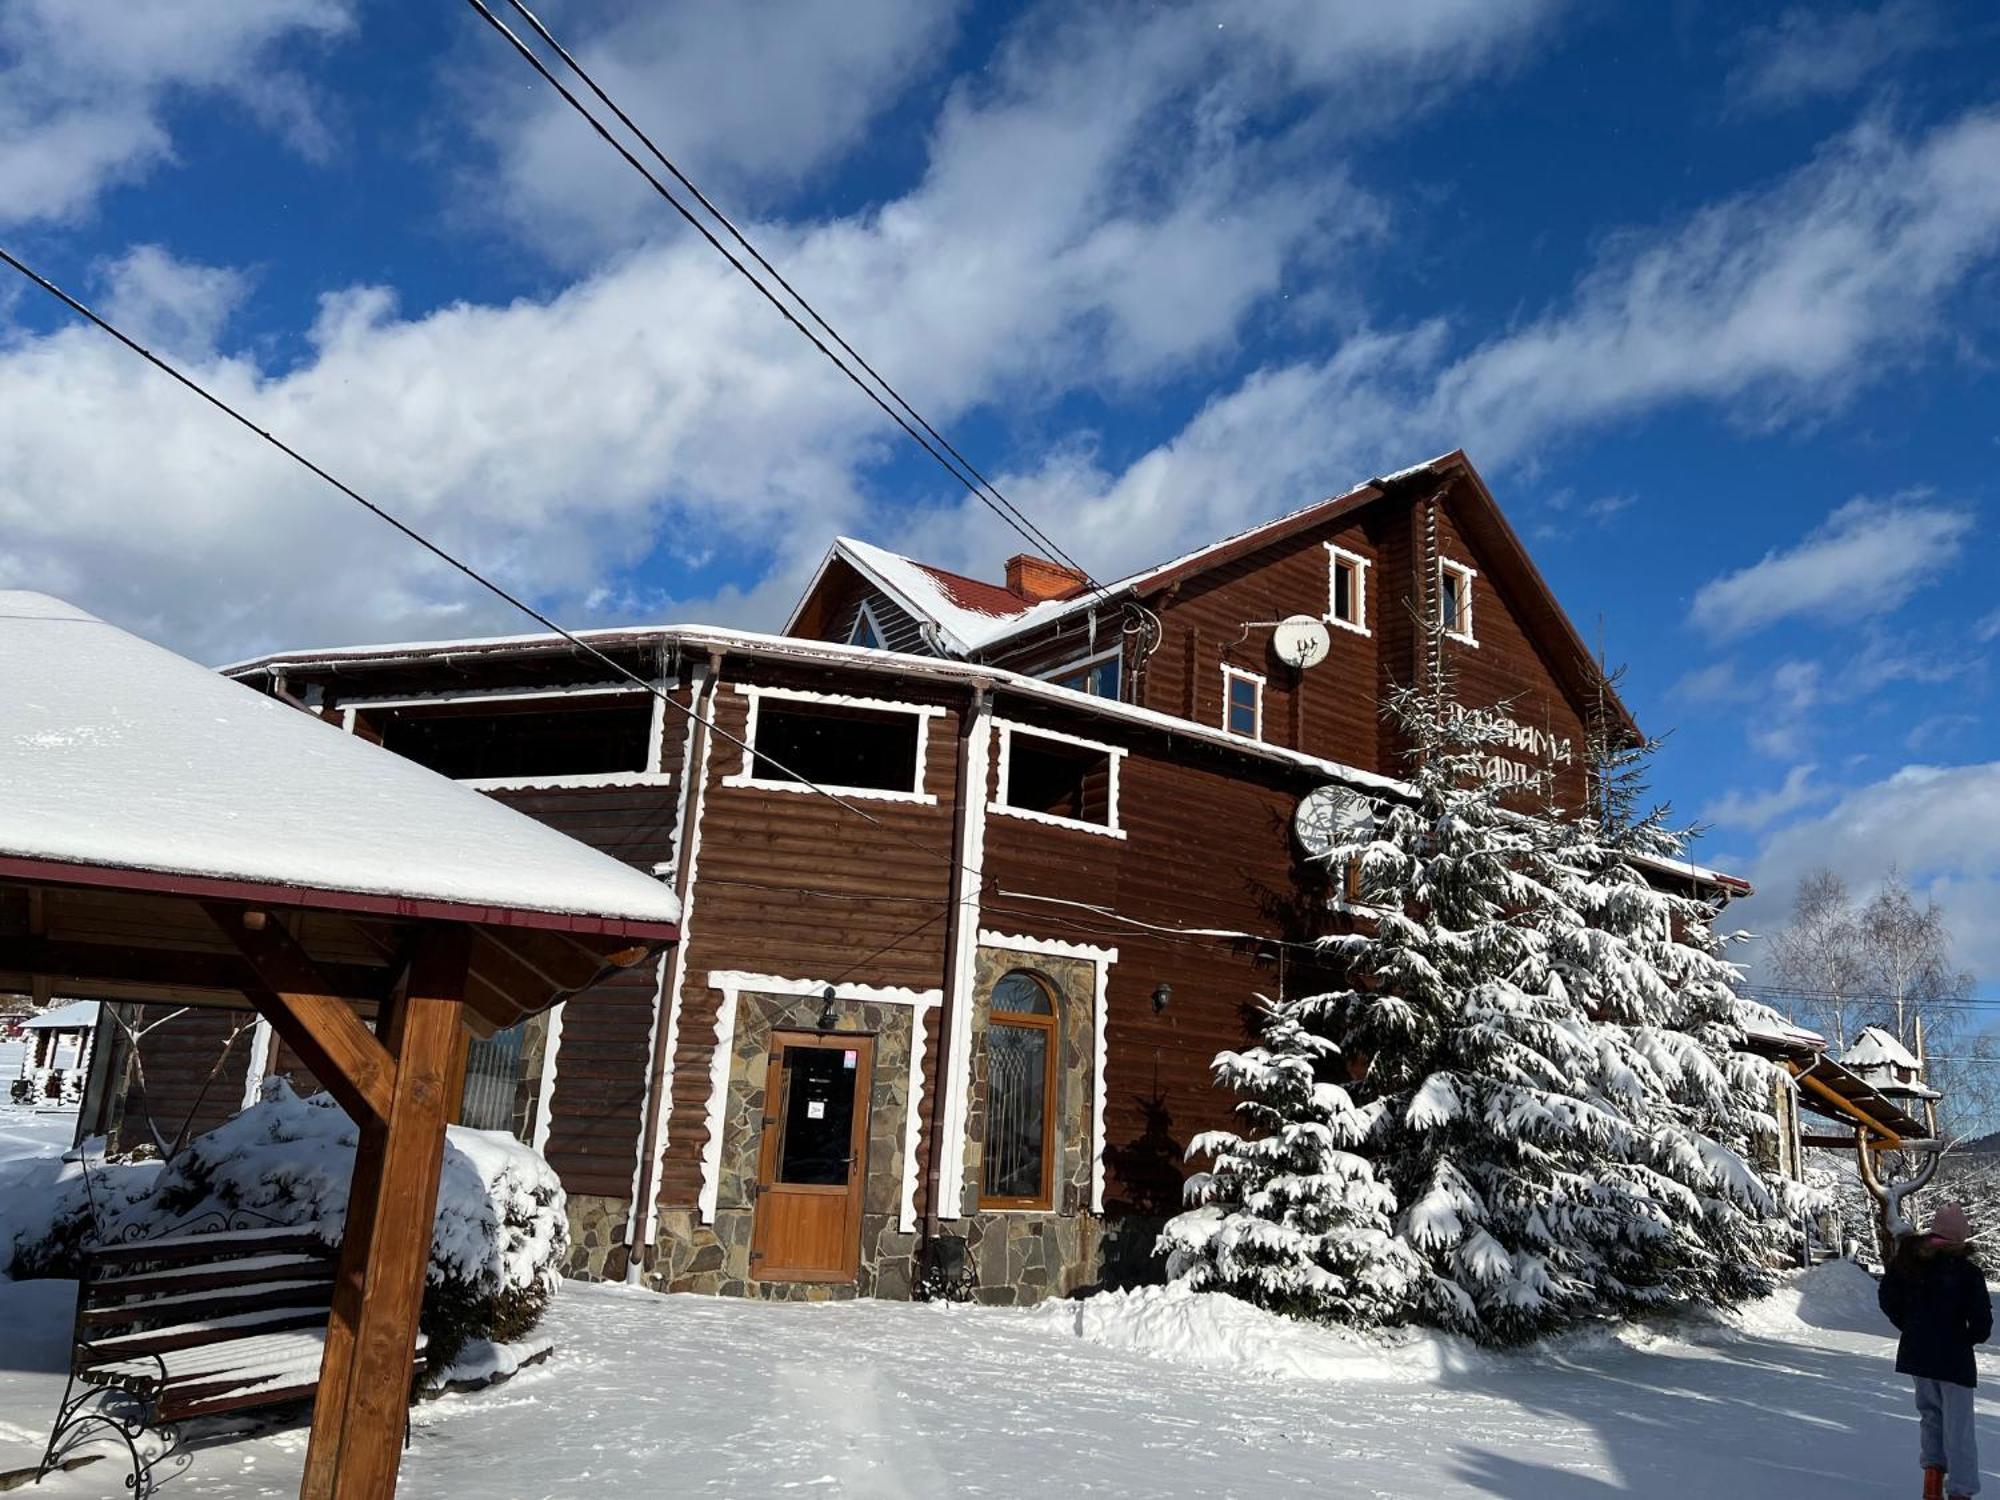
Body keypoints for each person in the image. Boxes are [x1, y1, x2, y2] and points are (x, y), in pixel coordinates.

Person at [1880, 1202, 1993, 1500]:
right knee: (1959, 1427)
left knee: (1930, 1417)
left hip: (1917, 1354)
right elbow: (1982, 1323)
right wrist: (1968, 1337)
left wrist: (1910, 1326)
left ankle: (1932, 1483)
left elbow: (1887, 1297)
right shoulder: (1967, 1273)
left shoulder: (1909, 1262)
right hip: (1954, 1359)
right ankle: (1960, 1491)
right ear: (1959, 1237)